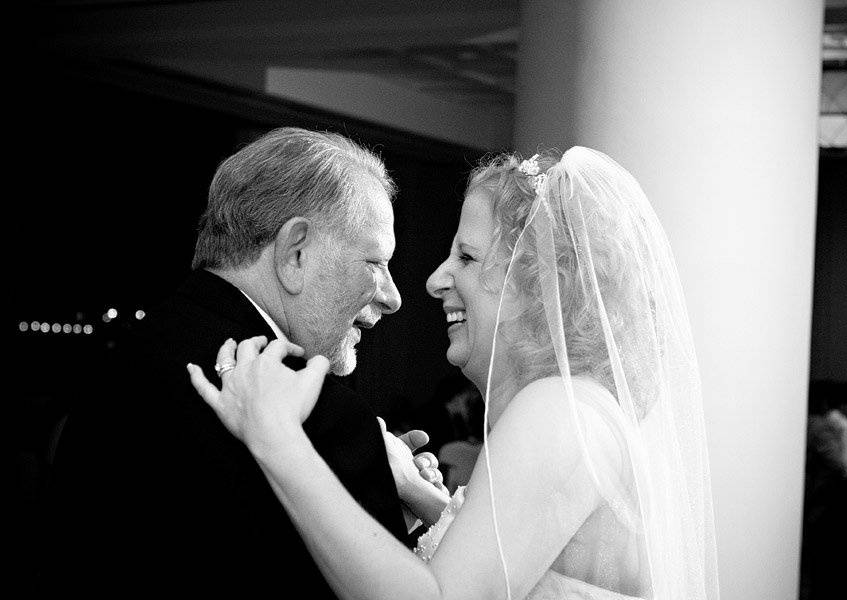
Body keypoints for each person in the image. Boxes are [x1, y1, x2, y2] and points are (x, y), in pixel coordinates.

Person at [188, 148, 720, 599]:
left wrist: (277, 438)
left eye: (466, 256)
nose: (435, 279)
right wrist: (422, 497)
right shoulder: (575, 408)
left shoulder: (561, 411)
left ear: (534, 283)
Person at [46, 128, 445, 596]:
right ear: (295, 252)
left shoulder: (124, 359)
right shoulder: (319, 417)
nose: (393, 297)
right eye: (376, 263)